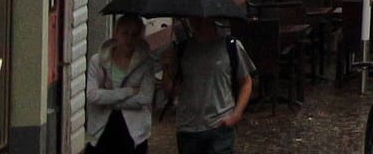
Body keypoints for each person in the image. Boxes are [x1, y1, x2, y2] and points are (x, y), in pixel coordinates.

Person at [166, 16, 253, 154]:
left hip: (219, 125)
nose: (197, 24)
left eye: (201, 19)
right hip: (188, 128)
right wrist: (167, 69)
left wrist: (236, 114)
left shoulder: (230, 45)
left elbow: (246, 82)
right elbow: (172, 90)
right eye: (193, 19)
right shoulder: (182, 49)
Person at [85, 14, 155, 154]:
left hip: (133, 132)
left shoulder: (146, 63)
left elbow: (144, 98)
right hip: (101, 130)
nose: (129, 39)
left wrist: (108, 99)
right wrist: (128, 91)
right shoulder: (97, 61)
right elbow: (92, 95)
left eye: (134, 34)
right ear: (116, 33)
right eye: (125, 33)